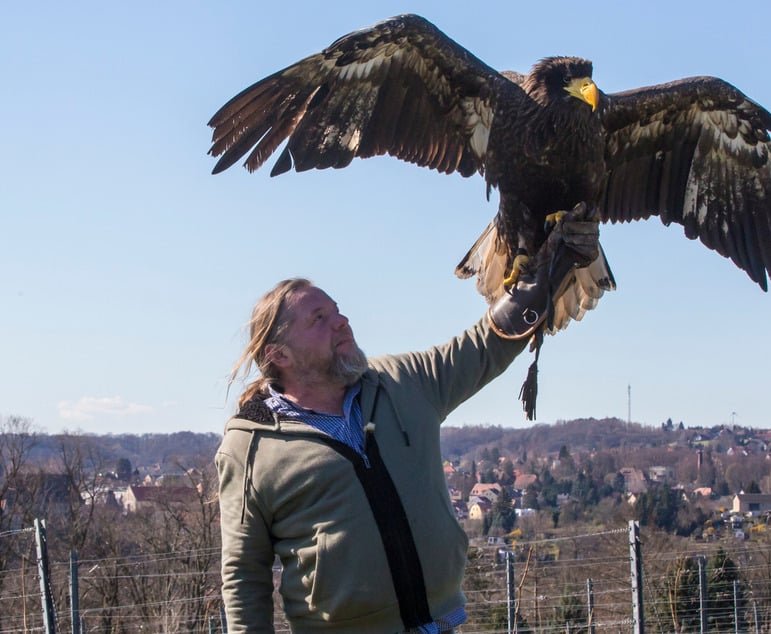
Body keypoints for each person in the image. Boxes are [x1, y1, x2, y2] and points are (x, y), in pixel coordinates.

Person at [215, 206, 600, 633]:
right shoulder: (250, 445)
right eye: (319, 320)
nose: (342, 321)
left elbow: (485, 345)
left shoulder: (401, 382)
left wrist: (552, 267)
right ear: (279, 355)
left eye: (337, 311)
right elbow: (243, 575)